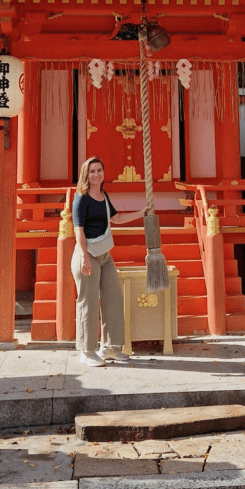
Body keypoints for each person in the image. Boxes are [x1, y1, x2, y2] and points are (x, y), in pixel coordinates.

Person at [71, 156, 145, 367]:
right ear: (86, 174)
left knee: (113, 297)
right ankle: (86, 351)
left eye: (99, 170)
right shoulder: (81, 198)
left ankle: (109, 347)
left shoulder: (104, 196)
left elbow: (117, 218)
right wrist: (84, 257)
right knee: (89, 303)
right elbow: (78, 230)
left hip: (104, 255)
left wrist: (142, 213)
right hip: (87, 255)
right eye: (92, 171)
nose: (96, 174)